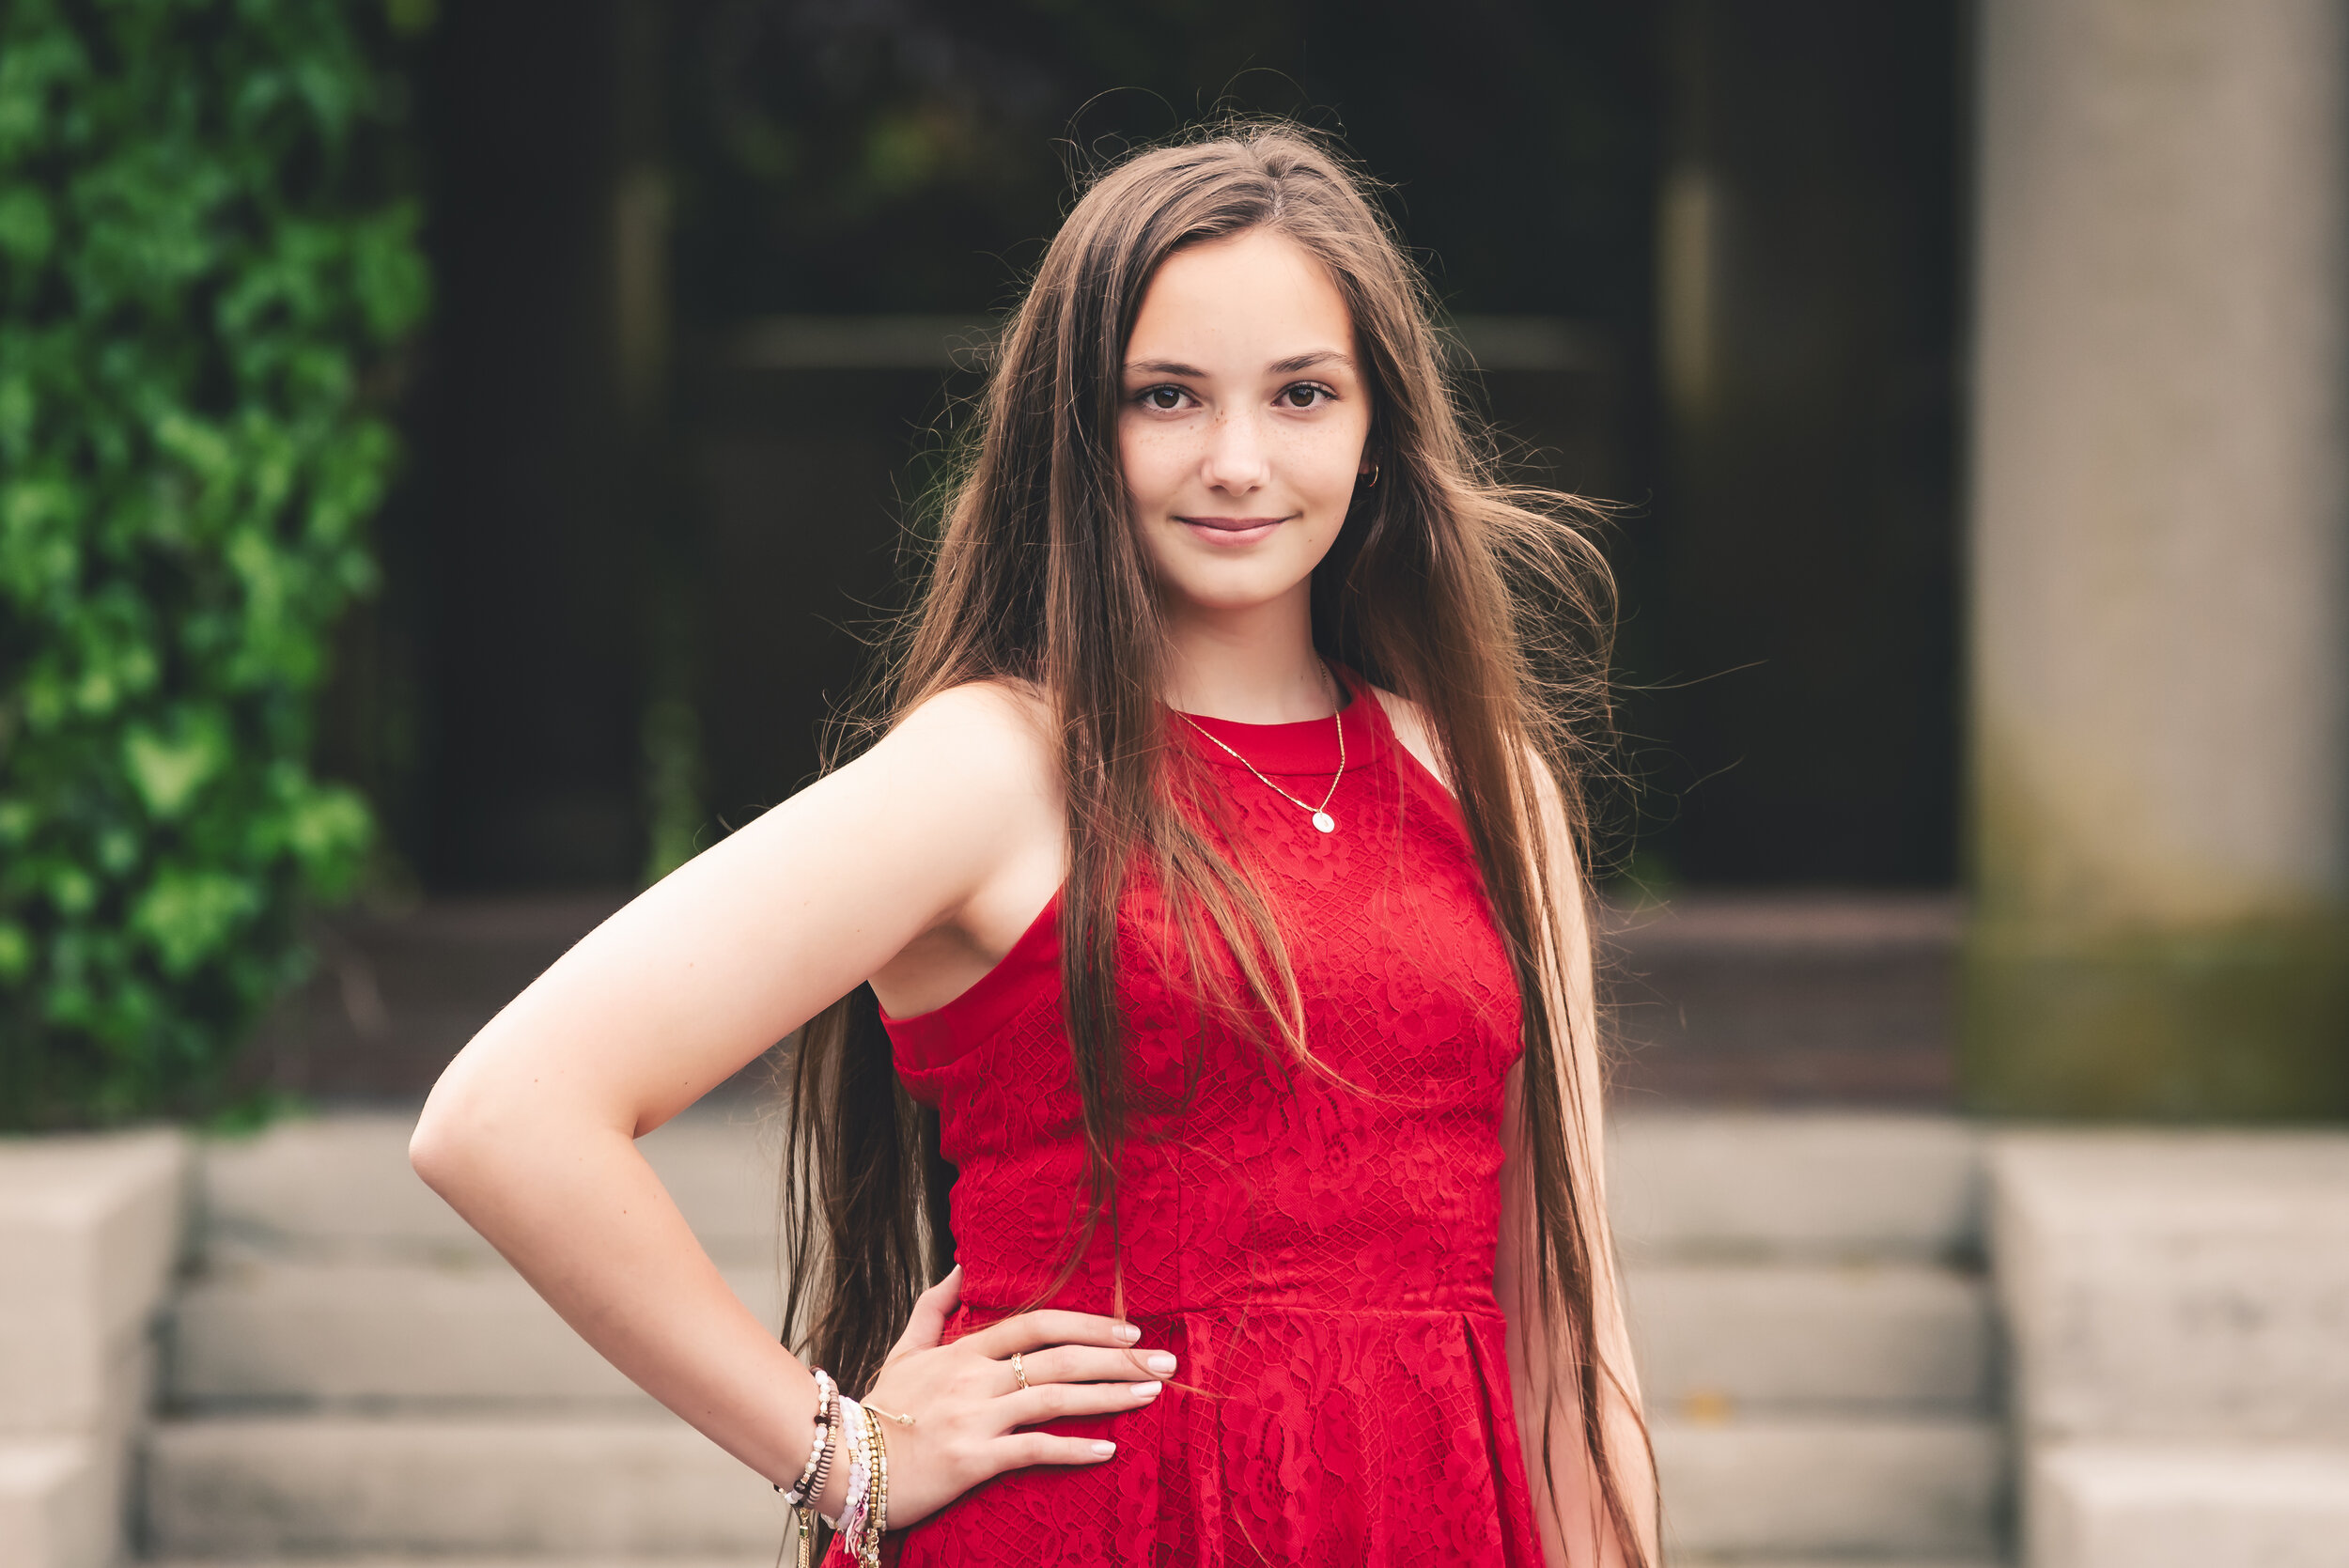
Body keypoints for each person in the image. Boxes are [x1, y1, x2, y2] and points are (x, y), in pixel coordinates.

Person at [411, 122, 1656, 1568]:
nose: (1239, 460)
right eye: (1167, 396)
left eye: (1302, 394)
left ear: (1377, 426)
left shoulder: (1491, 783)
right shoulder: (996, 767)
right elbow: (508, 1111)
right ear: (1079, 427)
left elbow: (1569, 1313)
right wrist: (844, 1453)